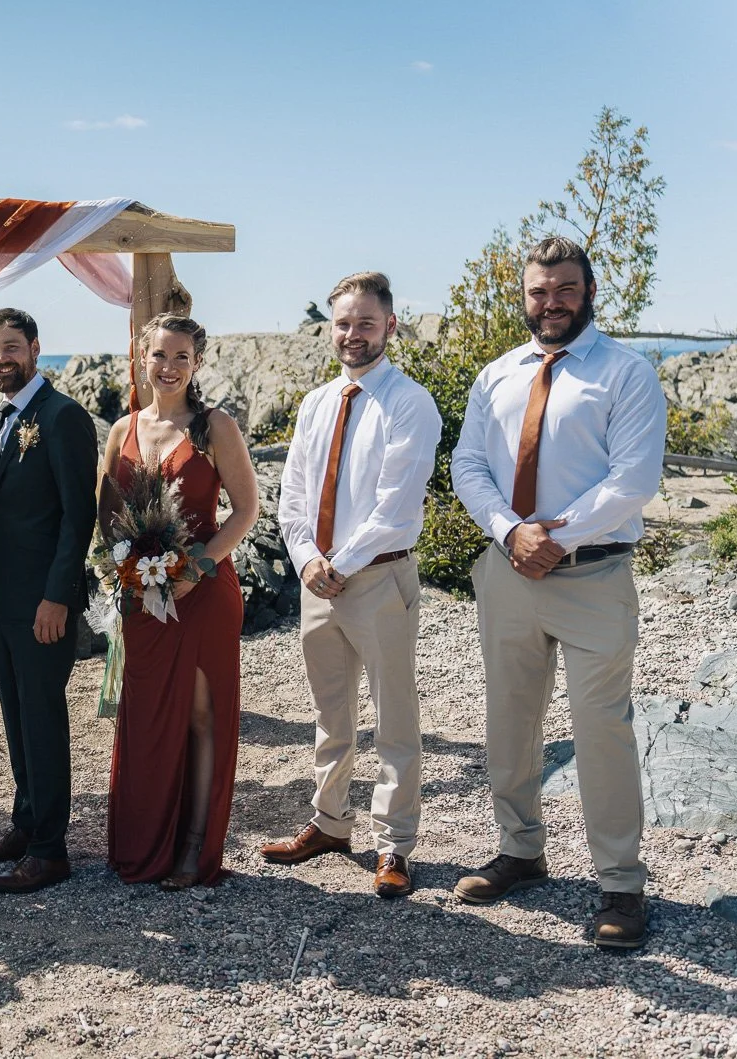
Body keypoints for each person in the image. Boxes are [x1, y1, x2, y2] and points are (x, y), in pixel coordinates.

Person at [450, 236, 666, 948]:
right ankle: (520, 850)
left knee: (602, 729)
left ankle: (621, 885)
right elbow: (467, 464)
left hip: (594, 576)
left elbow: (633, 479)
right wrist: (512, 532)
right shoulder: (497, 375)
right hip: (507, 571)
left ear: (590, 291)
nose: (551, 303)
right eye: (539, 291)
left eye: (565, 289)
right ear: (524, 296)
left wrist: (553, 538)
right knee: (509, 720)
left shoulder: (627, 373)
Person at [265, 272, 441, 898]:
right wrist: (307, 560)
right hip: (318, 579)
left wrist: (340, 563)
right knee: (329, 709)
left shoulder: (411, 403)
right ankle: (330, 821)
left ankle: (394, 843)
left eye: (366, 322)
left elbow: (396, 504)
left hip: (378, 576)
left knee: (395, 714)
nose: (353, 334)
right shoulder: (316, 403)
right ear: (330, 328)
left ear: (390, 326)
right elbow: (293, 493)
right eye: (343, 323)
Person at [103, 314, 259, 889]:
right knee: (146, 713)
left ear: (197, 363)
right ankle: (145, 841)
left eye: (181, 357)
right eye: (159, 355)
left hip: (203, 591)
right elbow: (107, 514)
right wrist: (125, 570)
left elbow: (246, 511)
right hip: (142, 594)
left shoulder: (214, 426)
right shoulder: (122, 429)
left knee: (199, 715)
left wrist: (195, 568)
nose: (168, 368)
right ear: (141, 357)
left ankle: (194, 846)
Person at [0, 308, 98, 894]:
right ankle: (25, 825)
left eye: (11, 347)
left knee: (42, 721)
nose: (2, 359)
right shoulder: (2, 418)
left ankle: (49, 851)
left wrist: (57, 598)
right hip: (4, 599)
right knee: (16, 718)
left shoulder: (62, 416)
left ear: (36, 348)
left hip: (44, 603)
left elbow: (78, 515)